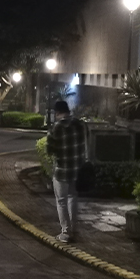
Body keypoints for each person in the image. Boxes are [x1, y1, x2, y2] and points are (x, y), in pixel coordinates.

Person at [46, 100, 86, 243]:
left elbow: (49, 149)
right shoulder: (80, 124)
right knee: (72, 197)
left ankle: (66, 232)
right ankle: (73, 228)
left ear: (57, 113)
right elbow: (83, 146)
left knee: (61, 200)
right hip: (76, 169)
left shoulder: (56, 127)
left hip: (62, 169)